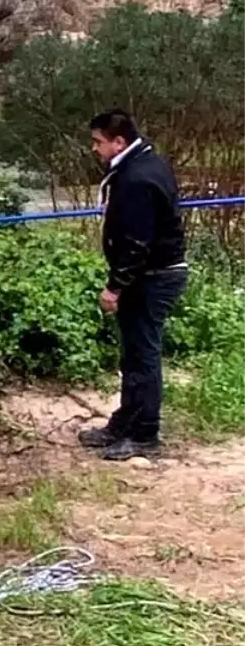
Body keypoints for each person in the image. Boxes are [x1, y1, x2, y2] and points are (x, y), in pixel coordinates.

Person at [80, 110, 187, 460]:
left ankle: (145, 433)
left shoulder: (137, 179)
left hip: (153, 277)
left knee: (143, 357)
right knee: (133, 355)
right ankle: (124, 421)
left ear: (118, 142)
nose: (95, 149)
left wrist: (115, 286)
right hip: (149, 274)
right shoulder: (141, 163)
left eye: (98, 142)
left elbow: (136, 243)